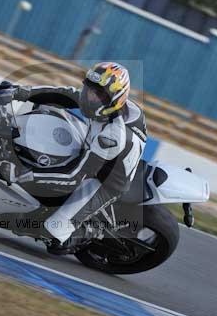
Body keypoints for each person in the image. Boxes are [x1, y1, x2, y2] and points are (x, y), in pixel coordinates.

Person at [10, 62, 147, 254]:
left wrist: (24, 175)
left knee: (54, 230)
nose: (89, 97)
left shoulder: (112, 135)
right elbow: (64, 95)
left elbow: (75, 176)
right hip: (95, 151)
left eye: (98, 95)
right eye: (89, 89)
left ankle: (89, 231)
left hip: (105, 181)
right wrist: (21, 92)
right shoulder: (106, 105)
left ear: (114, 99)